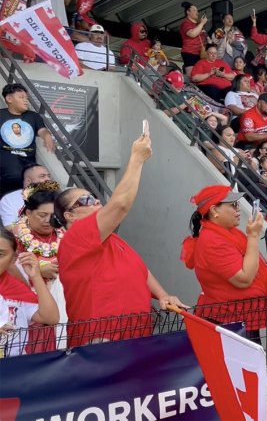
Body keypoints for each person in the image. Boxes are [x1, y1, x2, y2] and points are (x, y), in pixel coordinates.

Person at [52, 130, 187, 347]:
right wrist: (136, 159)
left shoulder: (111, 239)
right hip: (102, 339)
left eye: (95, 197)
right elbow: (120, 205)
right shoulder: (75, 237)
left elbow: (140, 270)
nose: (96, 201)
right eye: (86, 200)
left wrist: (162, 294)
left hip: (135, 334)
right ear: (69, 216)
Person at [181, 185, 267, 340]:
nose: (238, 209)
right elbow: (244, 279)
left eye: (238, 204)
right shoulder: (212, 240)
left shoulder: (228, 233)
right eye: (233, 205)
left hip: (243, 319)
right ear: (214, 210)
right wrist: (253, 237)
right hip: (230, 323)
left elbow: (251, 265)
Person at [10, 181, 67, 351]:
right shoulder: (13, 239)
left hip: (61, 301)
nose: (48, 220)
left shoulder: (67, 236)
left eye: (53, 215)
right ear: (28, 212)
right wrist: (37, 272)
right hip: (28, 304)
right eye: (42, 215)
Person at [0, 228, 59, 357]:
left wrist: (36, 276)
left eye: (0, 255)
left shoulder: (16, 291)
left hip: (15, 368)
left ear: (13, 258)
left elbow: (50, 318)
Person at [1, 84, 56, 198]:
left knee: (50, 186)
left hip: (29, 163)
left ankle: (31, 207)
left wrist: (47, 136)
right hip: (6, 165)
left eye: (27, 98)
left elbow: (42, 130)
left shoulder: (33, 116)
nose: (26, 101)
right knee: (14, 179)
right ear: (9, 99)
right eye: (21, 97)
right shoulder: (1, 115)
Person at [179, 2, 208, 74]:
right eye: (194, 10)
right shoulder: (186, 23)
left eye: (197, 10)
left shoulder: (198, 24)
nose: (197, 12)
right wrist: (202, 23)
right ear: (188, 12)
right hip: (190, 52)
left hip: (201, 53)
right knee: (191, 75)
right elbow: (192, 34)